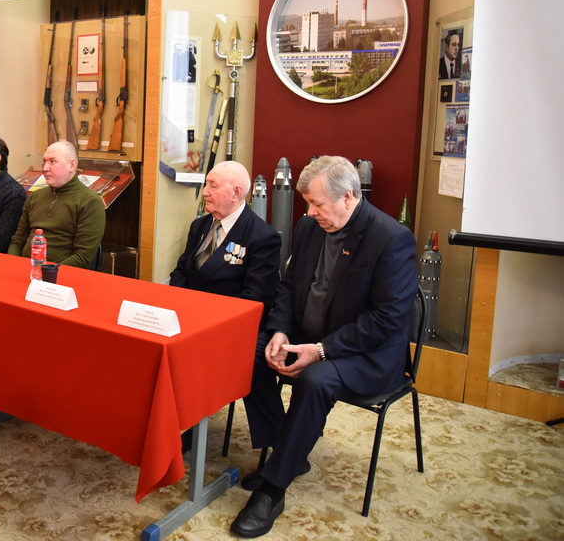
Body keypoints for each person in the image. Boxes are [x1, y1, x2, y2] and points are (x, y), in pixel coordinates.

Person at [230, 156, 417, 538]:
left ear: (348, 197)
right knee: (249, 353)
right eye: (308, 204)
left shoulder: (391, 238)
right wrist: (280, 331)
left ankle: (272, 489)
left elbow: (386, 320)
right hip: (306, 334)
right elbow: (289, 286)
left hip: (367, 354)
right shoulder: (310, 226)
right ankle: (288, 453)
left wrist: (321, 350)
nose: (310, 212)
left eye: (317, 204)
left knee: (315, 380)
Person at [170, 161, 281, 313]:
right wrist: (178, 304)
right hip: (185, 312)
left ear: (236, 193)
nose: (205, 192)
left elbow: (255, 298)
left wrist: (202, 312)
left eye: (213, 186)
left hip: (224, 319)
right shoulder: (199, 225)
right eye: (206, 184)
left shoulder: (262, 237)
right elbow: (182, 271)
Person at [7, 140, 105, 268]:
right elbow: (17, 241)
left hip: (59, 275)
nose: (45, 168)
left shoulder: (90, 202)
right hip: (24, 270)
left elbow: (83, 257)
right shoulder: (35, 197)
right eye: (44, 161)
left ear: (72, 165)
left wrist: (46, 273)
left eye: (52, 161)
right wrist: (12, 265)